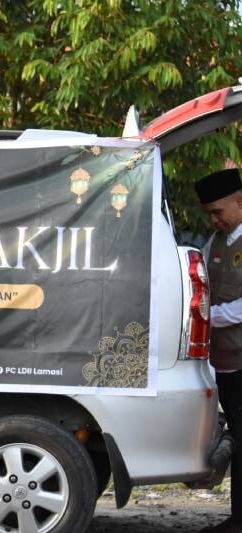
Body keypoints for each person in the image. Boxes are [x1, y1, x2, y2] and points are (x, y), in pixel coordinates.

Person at [196, 167, 242, 533]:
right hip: (223, 365)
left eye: (218, 211)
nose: (214, 219)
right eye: (209, 213)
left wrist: (208, 316)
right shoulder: (213, 243)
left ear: (240, 202)